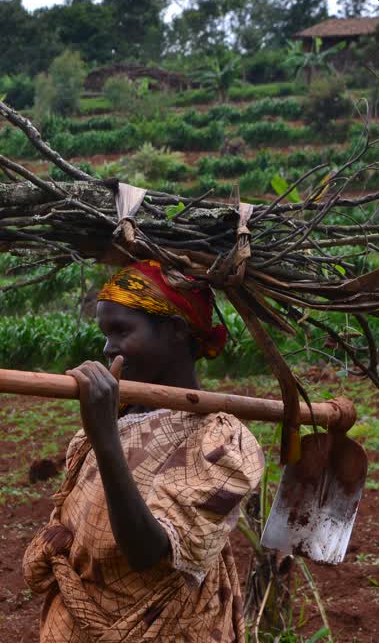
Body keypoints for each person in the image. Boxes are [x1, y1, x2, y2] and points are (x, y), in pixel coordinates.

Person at [23, 260, 264, 642]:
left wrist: (105, 437)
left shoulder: (219, 441)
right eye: (105, 334)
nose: (108, 347)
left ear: (176, 330)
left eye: (122, 331)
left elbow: (147, 552)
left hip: (166, 627)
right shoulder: (101, 432)